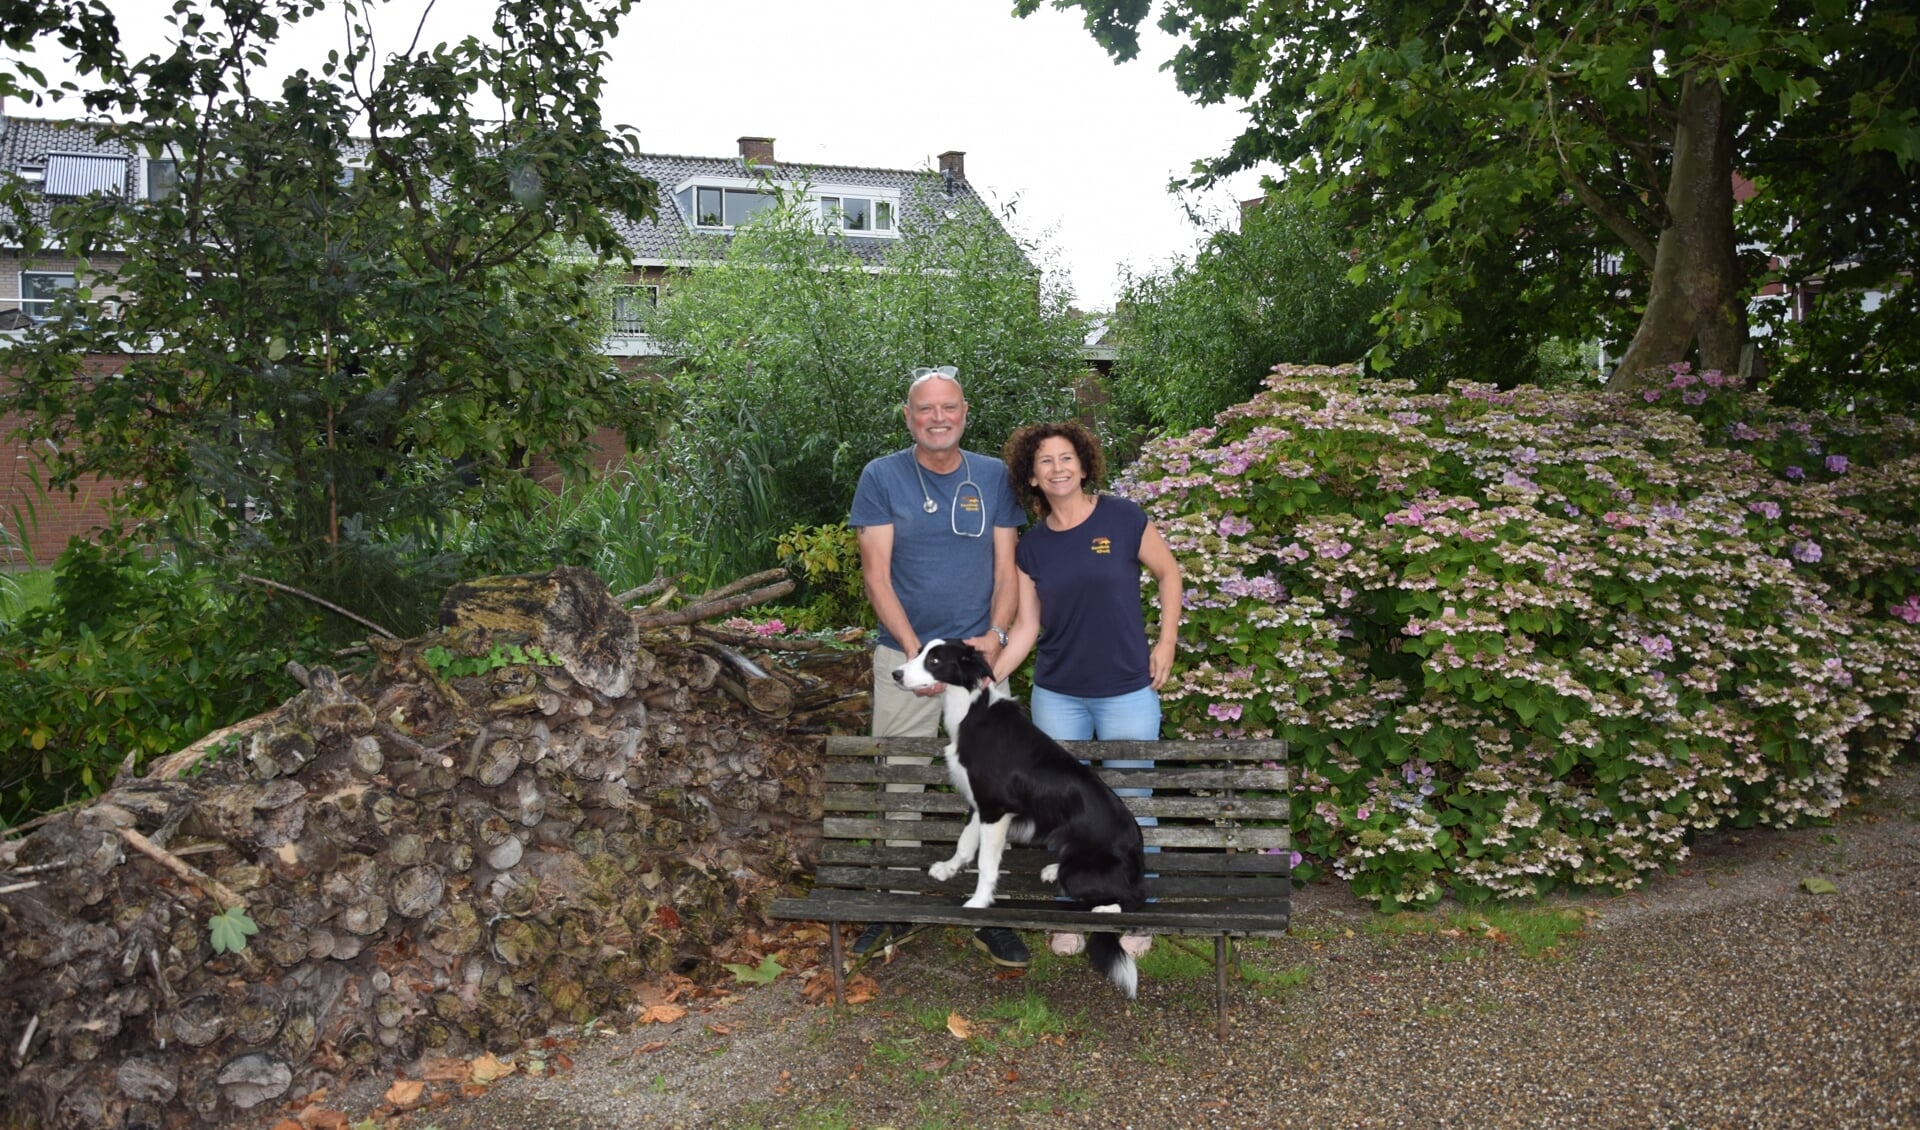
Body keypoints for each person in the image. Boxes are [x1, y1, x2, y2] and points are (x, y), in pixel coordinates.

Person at [846, 364, 1032, 969]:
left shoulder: (995, 477)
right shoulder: (881, 476)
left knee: (992, 787)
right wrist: (913, 656)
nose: (937, 418)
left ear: (964, 412)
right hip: (904, 655)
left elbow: (1008, 570)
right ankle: (896, 903)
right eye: (925, 409)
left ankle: (988, 910)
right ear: (909, 417)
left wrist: (998, 638)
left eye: (947, 407)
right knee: (898, 780)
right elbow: (876, 573)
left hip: (979, 664)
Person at [990, 420, 1183, 955]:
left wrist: (1166, 642)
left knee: (1133, 799)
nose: (1058, 468)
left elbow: (1169, 573)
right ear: (1031, 477)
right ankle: (1072, 908)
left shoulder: (1122, 518)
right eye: (1045, 461)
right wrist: (990, 677)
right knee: (1063, 808)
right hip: (1059, 694)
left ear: (1084, 464)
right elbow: (1027, 627)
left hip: (1126, 688)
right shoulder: (1031, 548)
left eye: (1066, 457)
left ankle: (1135, 911)